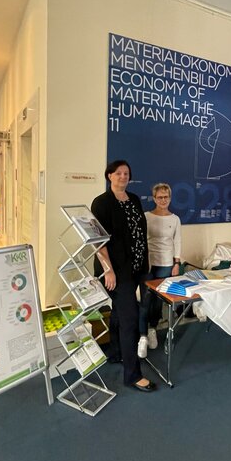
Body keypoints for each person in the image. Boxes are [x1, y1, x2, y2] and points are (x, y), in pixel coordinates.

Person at [91, 160, 156, 392]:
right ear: (109, 175)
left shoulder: (135, 199)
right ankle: (132, 375)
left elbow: (140, 233)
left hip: (137, 266)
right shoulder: (101, 203)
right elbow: (98, 239)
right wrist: (108, 269)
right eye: (118, 173)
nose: (122, 176)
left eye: (126, 173)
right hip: (116, 271)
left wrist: (146, 261)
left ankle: (116, 353)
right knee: (129, 317)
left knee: (119, 311)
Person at [138, 183, 182, 358]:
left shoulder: (175, 219)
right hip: (147, 263)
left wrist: (176, 263)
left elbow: (177, 242)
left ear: (170, 198)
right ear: (154, 198)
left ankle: (152, 329)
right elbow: (140, 241)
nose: (163, 200)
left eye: (166, 197)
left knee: (158, 301)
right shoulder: (146, 216)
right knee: (145, 300)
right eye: (160, 197)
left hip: (166, 264)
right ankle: (142, 337)